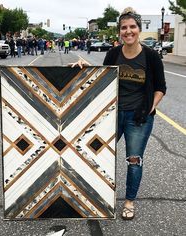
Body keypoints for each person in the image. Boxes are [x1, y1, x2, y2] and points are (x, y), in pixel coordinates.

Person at [71, 7, 166, 220]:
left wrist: (151, 106)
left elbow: (161, 87)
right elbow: (103, 79)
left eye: (132, 27)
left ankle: (129, 201)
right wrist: (86, 68)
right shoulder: (113, 54)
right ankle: (97, 195)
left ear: (139, 29)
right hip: (113, 114)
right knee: (98, 152)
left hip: (139, 117)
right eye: (124, 27)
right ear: (119, 32)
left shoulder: (151, 56)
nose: (128, 31)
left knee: (134, 160)